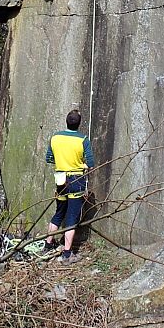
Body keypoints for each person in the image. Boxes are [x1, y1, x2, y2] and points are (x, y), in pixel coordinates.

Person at [45, 109, 94, 262]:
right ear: (79, 124)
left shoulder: (55, 137)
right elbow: (91, 163)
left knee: (59, 213)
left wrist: (62, 163)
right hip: (76, 180)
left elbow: (49, 158)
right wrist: (82, 165)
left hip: (60, 179)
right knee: (72, 217)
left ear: (66, 121)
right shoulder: (83, 139)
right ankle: (67, 253)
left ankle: (48, 245)